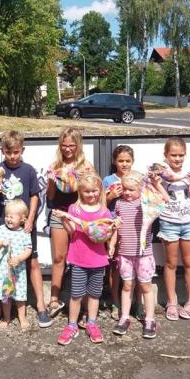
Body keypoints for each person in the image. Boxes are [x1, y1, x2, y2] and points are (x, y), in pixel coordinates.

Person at [0, 130, 52, 330]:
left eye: (16, 152)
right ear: (2, 151)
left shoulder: (28, 170)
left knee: (32, 262)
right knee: (0, 267)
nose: (12, 156)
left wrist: (30, 218)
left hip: (24, 225)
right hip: (2, 224)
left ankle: (40, 307)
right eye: (8, 152)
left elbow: (34, 196)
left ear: (22, 150)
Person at [52, 173, 114, 345]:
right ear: (80, 192)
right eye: (87, 192)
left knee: (94, 295)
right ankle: (72, 325)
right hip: (79, 258)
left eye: (94, 191)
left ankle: (92, 323)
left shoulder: (104, 211)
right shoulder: (74, 209)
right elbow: (72, 231)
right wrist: (65, 219)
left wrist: (111, 240)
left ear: (99, 190)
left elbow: (106, 233)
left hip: (98, 259)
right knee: (77, 294)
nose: (91, 194)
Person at [45, 127, 95, 319]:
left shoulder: (86, 165)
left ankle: (82, 303)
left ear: (78, 145)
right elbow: (50, 197)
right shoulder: (55, 164)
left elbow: (92, 194)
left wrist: (84, 178)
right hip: (59, 214)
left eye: (71, 146)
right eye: (64, 145)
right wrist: (51, 180)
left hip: (80, 216)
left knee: (80, 260)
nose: (67, 149)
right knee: (59, 258)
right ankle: (54, 300)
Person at [150, 137, 190, 322]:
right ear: (166, 155)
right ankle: (172, 301)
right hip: (169, 222)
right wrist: (157, 183)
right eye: (173, 155)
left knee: (189, 262)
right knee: (170, 263)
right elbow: (157, 197)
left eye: (181, 155)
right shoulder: (160, 171)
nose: (177, 159)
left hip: (187, 222)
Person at [108, 171, 158, 339]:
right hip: (124, 254)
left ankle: (150, 319)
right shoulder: (119, 205)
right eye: (125, 189)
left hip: (144, 254)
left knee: (145, 286)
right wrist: (113, 245)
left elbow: (164, 201)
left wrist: (153, 184)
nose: (127, 193)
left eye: (131, 190)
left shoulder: (146, 204)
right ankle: (124, 317)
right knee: (127, 285)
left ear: (140, 189)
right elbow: (117, 228)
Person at [102, 145, 141, 321]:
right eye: (120, 161)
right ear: (114, 161)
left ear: (133, 161)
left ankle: (137, 303)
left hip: (135, 227)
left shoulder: (138, 177)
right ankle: (115, 302)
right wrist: (110, 196)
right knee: (115, 265)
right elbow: (99, 203)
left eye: (127, 161)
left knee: (138, 265)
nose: (124, 164)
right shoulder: (108, 180)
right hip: (113, 226)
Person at [0, 200, 33, 330]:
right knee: (6, 295)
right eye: (7, 216)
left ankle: (22, 318)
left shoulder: (24, 232)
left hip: (18, 271)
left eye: (11, 217)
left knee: (20, 295)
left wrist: (19, 258)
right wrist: (1, 242)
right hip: (4, 270)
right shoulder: (1, 229)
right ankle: (6, 318)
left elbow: (28, 250)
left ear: (22, 218)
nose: (8, 219)